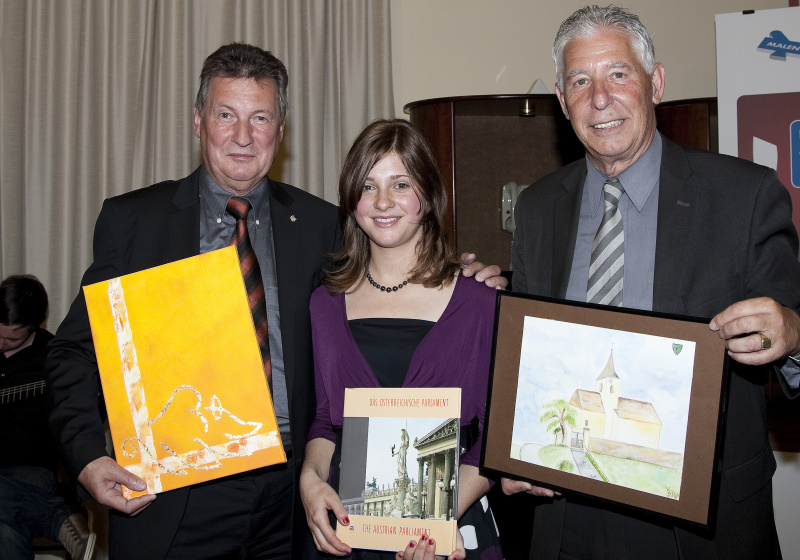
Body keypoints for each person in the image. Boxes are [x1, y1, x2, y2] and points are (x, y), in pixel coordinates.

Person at [46, 44, 504, 560]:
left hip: (295, 502)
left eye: (260, 118)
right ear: (198, 121)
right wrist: (86, 457)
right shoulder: (136, 223)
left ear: (280, 131)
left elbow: (392, 266)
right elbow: (73, 353)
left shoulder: (323, 225)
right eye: (226, 115)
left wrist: (469, 276)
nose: (243, 136)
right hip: (175, 496)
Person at [503, 6, 800, 559]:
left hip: (702, 530)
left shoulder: (745, 198)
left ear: (655, 83)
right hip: (568, 519)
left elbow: (791, 350)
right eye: (579, 81)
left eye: (618, 74)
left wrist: (794, 336)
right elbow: (532, 363)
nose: (599, 98)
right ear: (563, 103)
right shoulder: (538, 208)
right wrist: (516, 449)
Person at [299, 119, 503, 560]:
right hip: (349, 534)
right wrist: (310, 479)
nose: (383, 201)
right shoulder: (324, 305)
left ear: (427, 196)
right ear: (352, 200)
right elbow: (323, 420)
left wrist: (433, 520)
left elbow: (496, 438)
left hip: (451, 533)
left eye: (401, 183)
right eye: (368, 186)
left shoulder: (479, 302)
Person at [0, 275, 95, 560]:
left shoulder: (54, 360)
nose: (0, 343)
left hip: (29, 469)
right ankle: (55, 518)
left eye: (10, 338)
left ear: (33, 327)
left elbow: (81, 416)